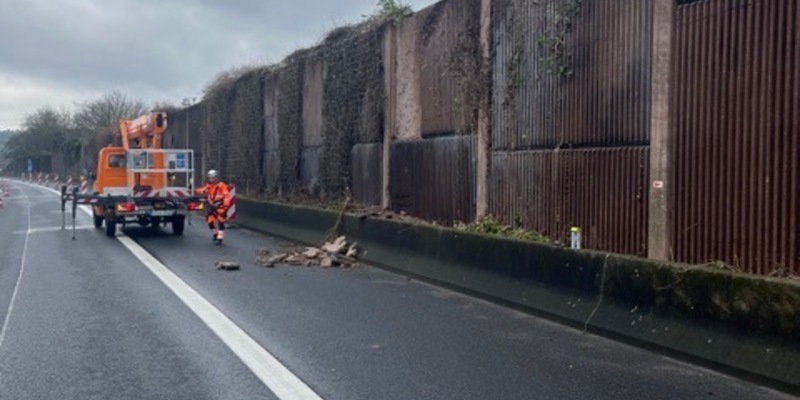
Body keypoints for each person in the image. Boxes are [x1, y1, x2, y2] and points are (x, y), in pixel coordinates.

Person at [196, 169, 231, 245]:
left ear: (216, 177)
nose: (211, 179)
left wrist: (226, 207)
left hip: (220, 207)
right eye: (209, 178)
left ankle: (220, 239)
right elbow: (203, 190)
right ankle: (215, 234)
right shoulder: (209, 186)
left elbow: (226, 196)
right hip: (212, 206)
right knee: (210, 221)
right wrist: (194, 190)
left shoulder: (222, 186)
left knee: (221, 222)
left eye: (212, 177)